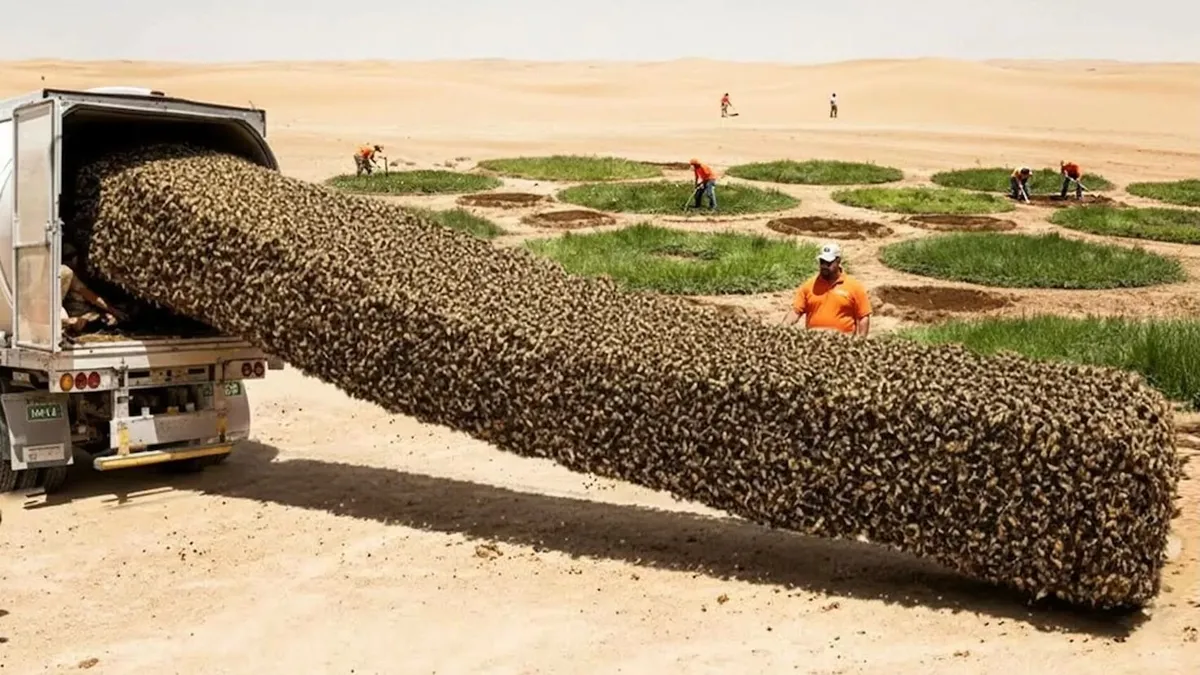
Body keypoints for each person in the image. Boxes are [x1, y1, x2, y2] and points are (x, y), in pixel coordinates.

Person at [781, 242, 871, 337]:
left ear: (838, 261)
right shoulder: (809, 286)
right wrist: (783, 327)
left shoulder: (854, 286)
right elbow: (796, 311)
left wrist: (861, 340)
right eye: (822, 262)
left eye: (828, 263)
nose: (824, 266)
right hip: (814, 341)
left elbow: (863, 316)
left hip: (844, 343)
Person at [60, 243, 127, 336]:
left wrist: (111, 310)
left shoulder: (63, 273)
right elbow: (89, 296)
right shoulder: (66, 272)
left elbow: (89, 295)